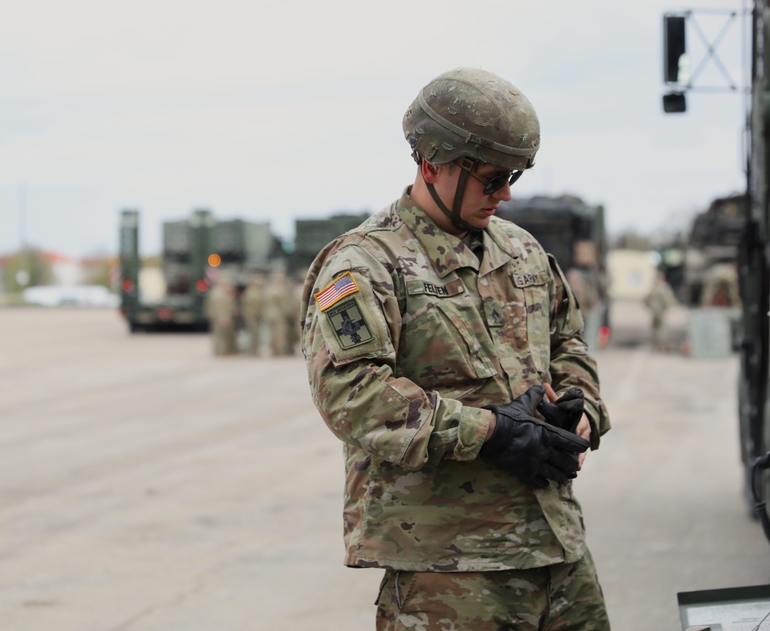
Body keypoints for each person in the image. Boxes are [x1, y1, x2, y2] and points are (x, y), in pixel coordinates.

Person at [301, 67, 611, 629]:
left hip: (557, 548)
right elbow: (351, 394)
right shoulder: (363, 264)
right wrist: (491, 434)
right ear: (432, 166)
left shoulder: (521, 251)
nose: (507, 193)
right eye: (493, 179)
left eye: (513, 176)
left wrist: (580, 409)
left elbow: (568, 340)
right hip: (448, 566)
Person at [205, 275, 238, 356]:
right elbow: (219, 308)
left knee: (222, 335)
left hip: (221, 316)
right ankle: (219, 351)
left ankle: (222, 350)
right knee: (219, 335)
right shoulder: (218, 294)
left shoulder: (223, 292)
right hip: (219, 317)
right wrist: (222, 317)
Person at [644, 272, 677, 352]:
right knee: (657, 329)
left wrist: (666, 306)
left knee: (662, 329)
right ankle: (659, 345)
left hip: (660, 312)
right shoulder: (658, 288)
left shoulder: (661, 288)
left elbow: (669, 300)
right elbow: (646, 300)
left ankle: (662, 345)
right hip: (656, 312)